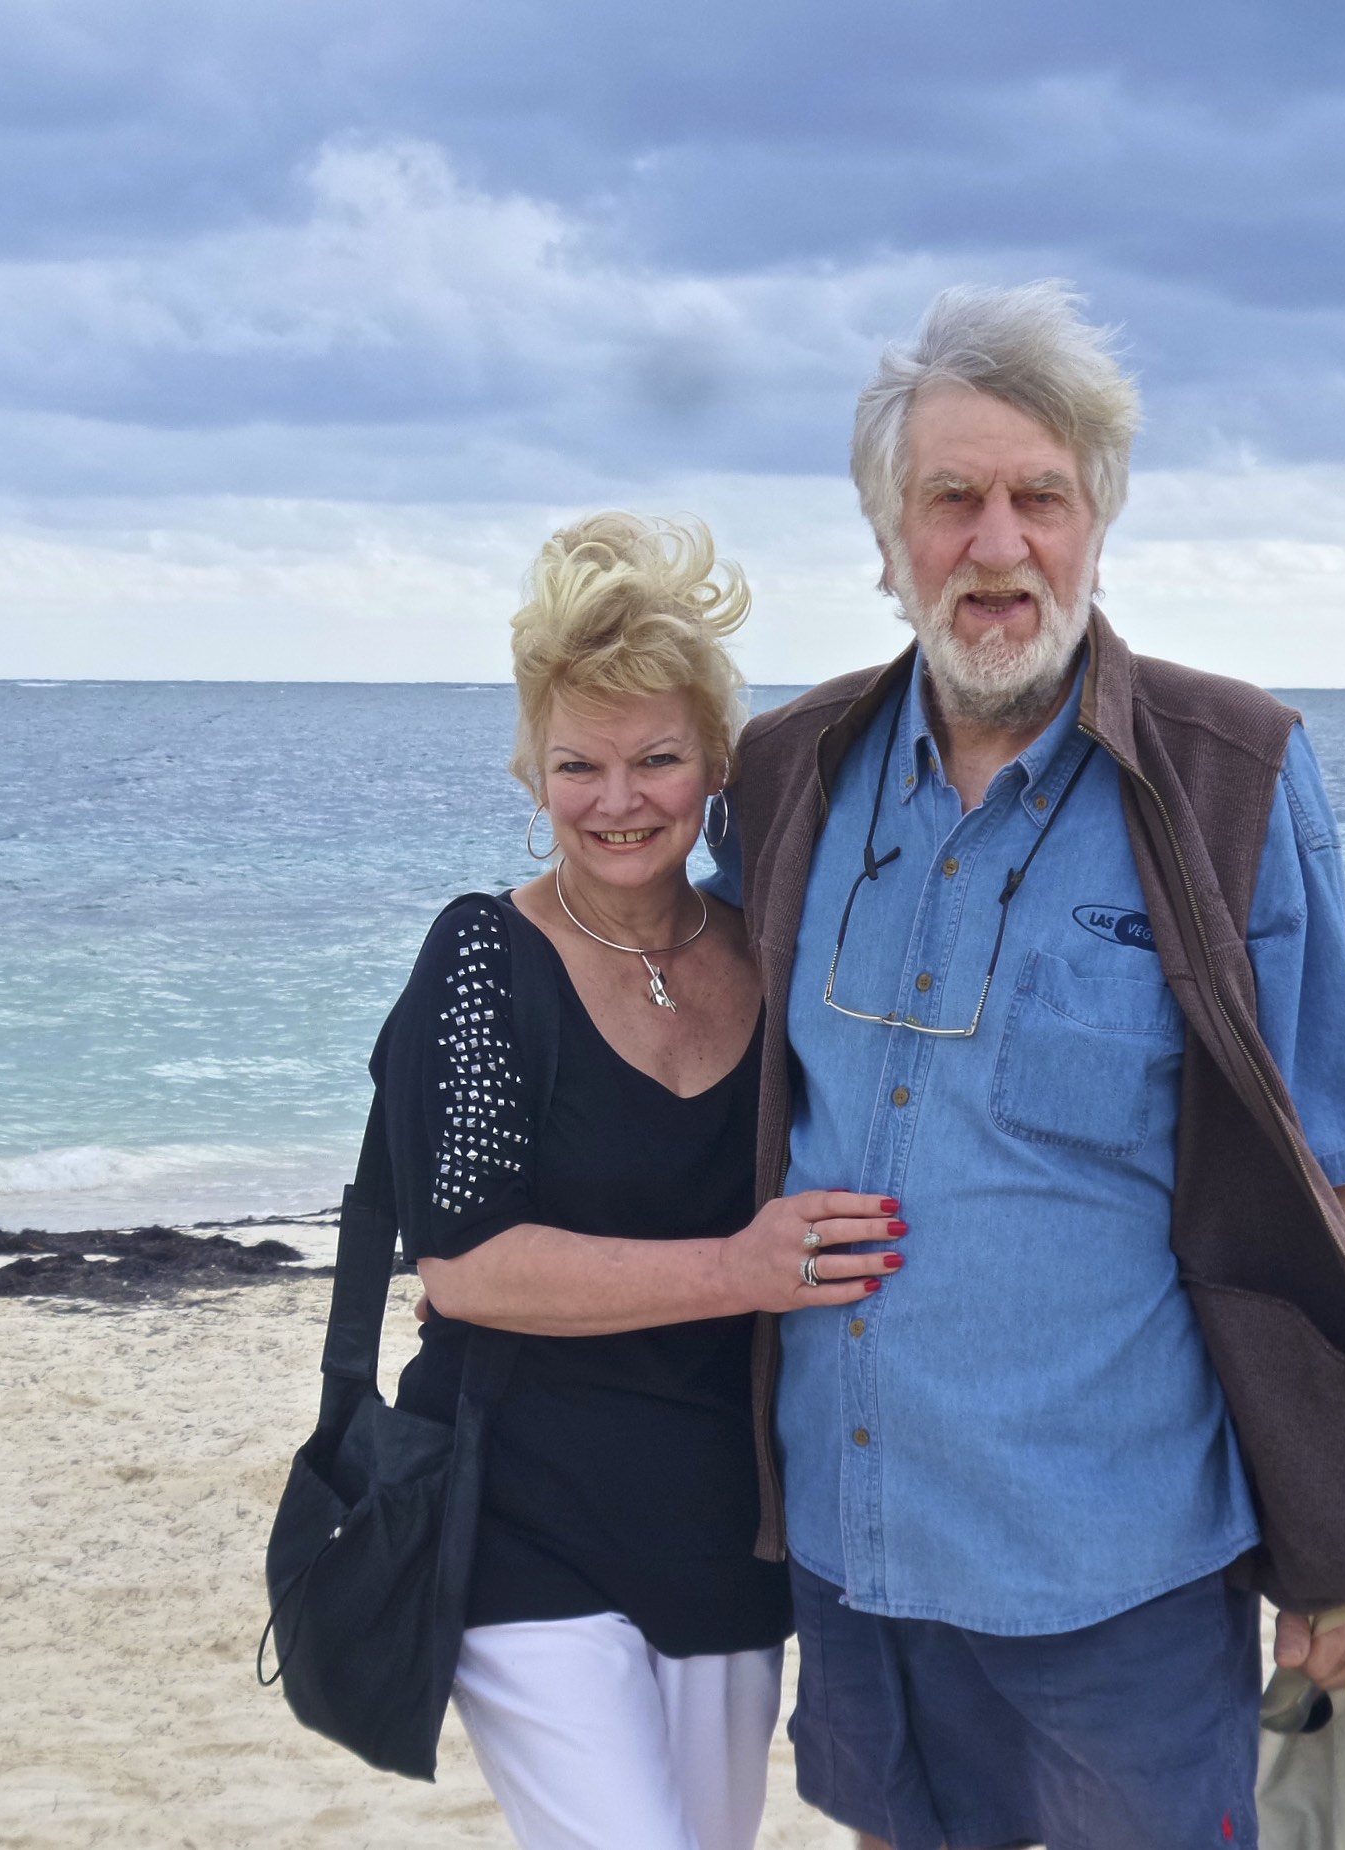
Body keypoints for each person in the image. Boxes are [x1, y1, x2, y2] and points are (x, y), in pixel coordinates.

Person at [710, 282, 1345, 1849]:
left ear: (1096, 526)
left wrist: (1343, 1543)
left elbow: (1336, 1171)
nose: (997, 545)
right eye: (953, 498)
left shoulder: (1234, 775)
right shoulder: (790, 773)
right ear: (888, 539)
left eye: (1041, 498)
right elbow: (679, 1029)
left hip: (1120, 1576)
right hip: (860, 1554)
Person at [379, 511, 900, 1849]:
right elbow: (465, 1265)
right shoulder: (485, 959)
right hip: (524, 1516)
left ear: (716, 764)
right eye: (579, 765)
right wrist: (737, 1268)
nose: (618, 801)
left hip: (725, 1521)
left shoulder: (773, 953)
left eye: (657, 759)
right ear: (533, 772)